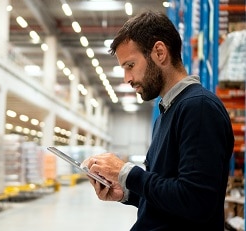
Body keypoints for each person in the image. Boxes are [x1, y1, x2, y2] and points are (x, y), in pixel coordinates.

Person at [83, 11, 234, 231]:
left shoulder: (198, 108)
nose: (127, 79)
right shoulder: (167, 112)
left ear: (159, 52)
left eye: (130, 65)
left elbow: (196, 202)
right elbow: (169, 197)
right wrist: (125, 192)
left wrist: (126, 172)